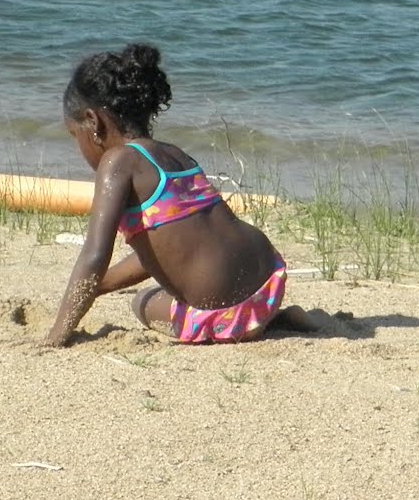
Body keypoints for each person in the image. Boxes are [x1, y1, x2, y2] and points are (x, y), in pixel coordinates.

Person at [44, 43, 305, 346]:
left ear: (93, 121)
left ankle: (243, 324)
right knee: (174, 288)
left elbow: (95, 254)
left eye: (74, 134)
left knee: (143, 302)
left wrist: (57, 335)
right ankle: (276, 319)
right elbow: (166, 251)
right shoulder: (175, 155)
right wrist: (98, 287)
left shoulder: (117, 162)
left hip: (222, 308)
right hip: (268, 282)